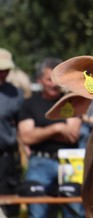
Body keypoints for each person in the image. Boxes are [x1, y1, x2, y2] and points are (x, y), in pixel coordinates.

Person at [18, 57, 82, 218]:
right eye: (49, 79)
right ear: (40, 81)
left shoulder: (70, 101)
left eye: (57, 79)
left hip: (69, 163)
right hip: (40, 163)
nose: (54, 84)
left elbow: (72, 135)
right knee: (37, 211)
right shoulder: (29, 103)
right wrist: (57, 128)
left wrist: (40, 132)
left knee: (74, 210)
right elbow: (26, 137)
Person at [0, 48, 23, 217]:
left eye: (6, 70)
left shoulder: (15, 93)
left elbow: (21, 125)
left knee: (9, 205)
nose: (3, 74)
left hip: (6, 157)